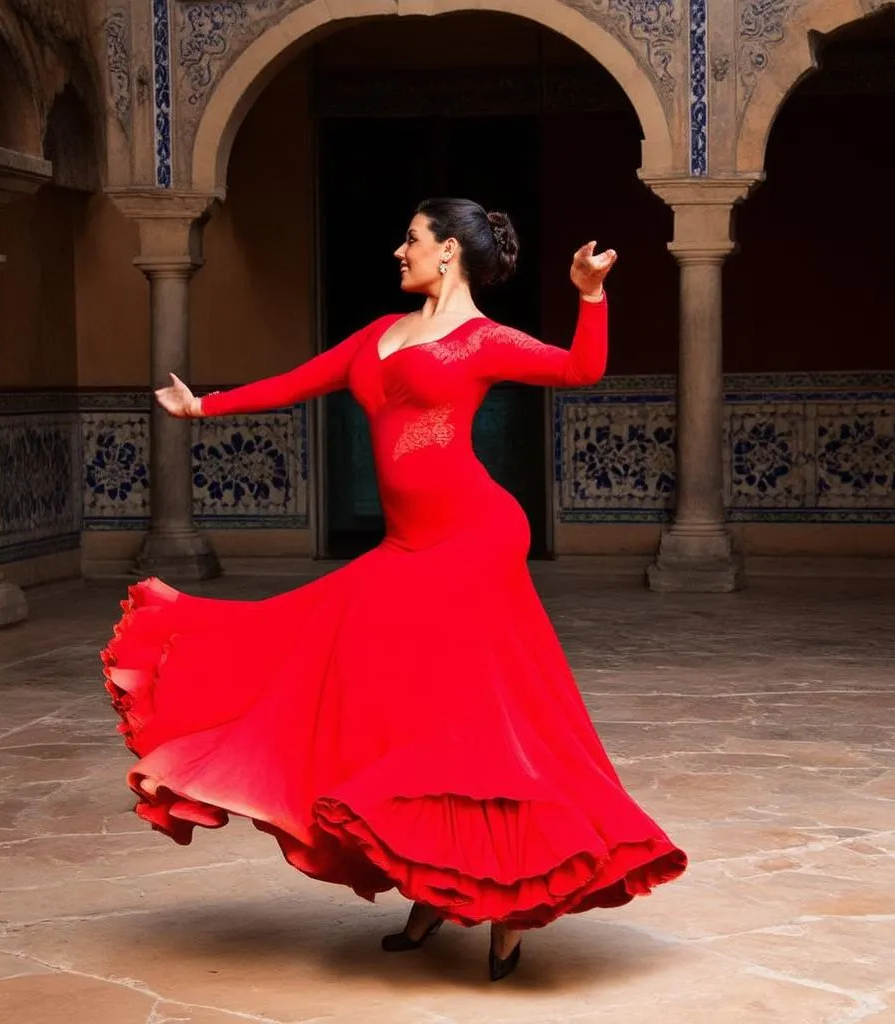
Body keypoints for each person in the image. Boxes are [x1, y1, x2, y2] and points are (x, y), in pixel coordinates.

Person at [102, 197, 687, 983]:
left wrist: (589, 294)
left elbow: (581, 368)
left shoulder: (482, 339)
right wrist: (204, 404)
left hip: (476, 537)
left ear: (448, 252)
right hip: (408, 545)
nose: (398, 250)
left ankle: (507, 900)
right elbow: (297, 382)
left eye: (411, 238)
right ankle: (436, 884)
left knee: (471, 714)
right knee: (384, 688)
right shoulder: (379, 335)